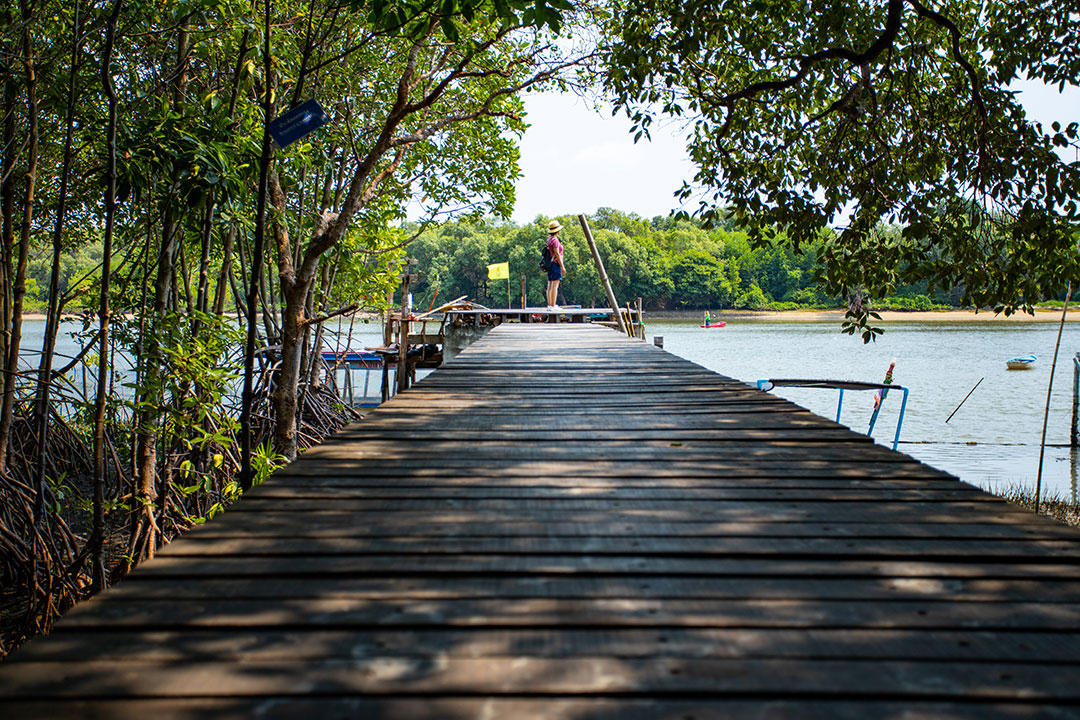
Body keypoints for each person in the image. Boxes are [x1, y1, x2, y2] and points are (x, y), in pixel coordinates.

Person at [545, 219, 565, 309]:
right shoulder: (555, 240)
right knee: (555, 285)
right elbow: (557, 254)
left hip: (550, 264)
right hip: (555, 264)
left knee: (550, 284)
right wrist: (562, 266)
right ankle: (553, 305)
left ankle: (550, 305)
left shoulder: (549, 239)